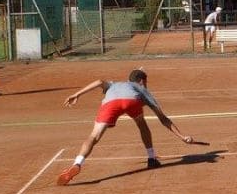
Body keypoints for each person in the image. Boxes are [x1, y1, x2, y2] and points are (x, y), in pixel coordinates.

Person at [56, 69, 199, 185]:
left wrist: (77, 94)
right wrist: (182, 136)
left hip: (110, 103)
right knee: (142, 124)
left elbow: (99, 81)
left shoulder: (113, 84)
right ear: (142, 81)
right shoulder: (142, 89)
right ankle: (151, 158)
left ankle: (78, 163)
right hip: (132, 101)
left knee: (94, 136)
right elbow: (163, 118)